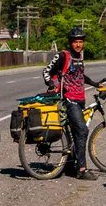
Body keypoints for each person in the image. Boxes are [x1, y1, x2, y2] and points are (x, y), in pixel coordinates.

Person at [43, 26, 102, 180]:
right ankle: (81, 170)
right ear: (70, 42)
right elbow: (46, 71)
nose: (78, 44)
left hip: (80, 100)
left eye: (81, 41)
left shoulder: (79, 57)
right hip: (68, 100)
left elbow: (80, 76)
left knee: (74, 132)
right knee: (82, 130)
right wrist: (51, 84)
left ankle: (70, 165)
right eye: (75, 41)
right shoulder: (63, 55)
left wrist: (95, 84)